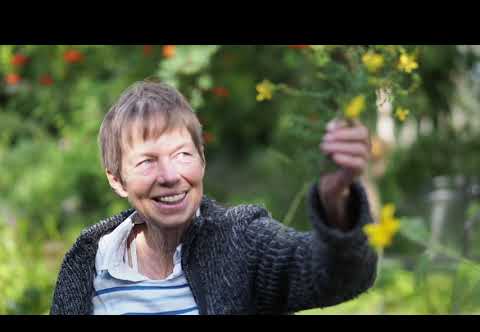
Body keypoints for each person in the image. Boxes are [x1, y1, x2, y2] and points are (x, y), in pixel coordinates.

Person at [50, 80, 377, 315]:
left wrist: (337, 202)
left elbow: (336, 277)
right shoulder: (91, 260)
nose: (169, 175)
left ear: (202, 159)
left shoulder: (241, 241)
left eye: (181, 155)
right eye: (148, 161)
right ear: (117, 179)